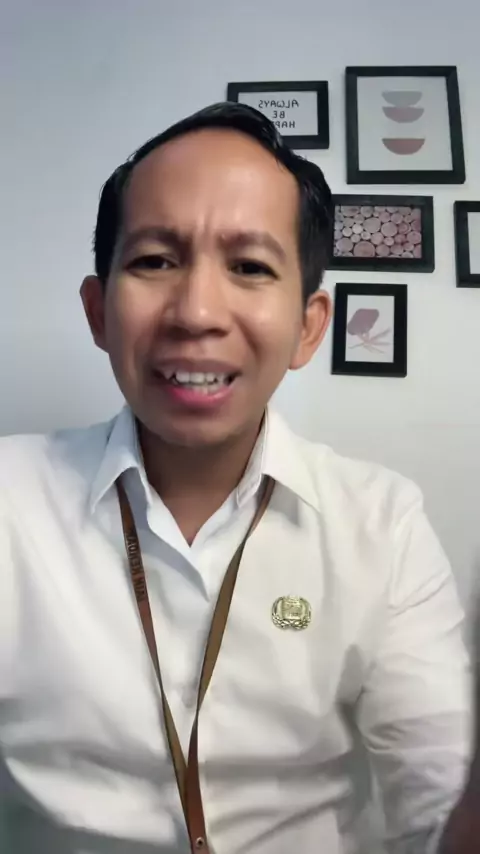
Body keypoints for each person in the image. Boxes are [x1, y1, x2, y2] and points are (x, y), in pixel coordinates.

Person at [0, 102, 474, 854]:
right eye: (154, 261)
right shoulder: (10, 500)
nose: (196, 312)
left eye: (250, 267)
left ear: (309, 326)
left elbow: (437, 802)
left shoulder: (382, 523)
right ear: (98, 312)